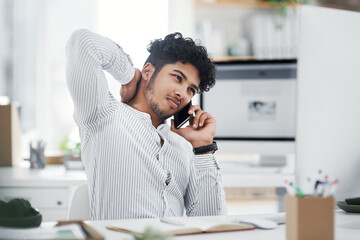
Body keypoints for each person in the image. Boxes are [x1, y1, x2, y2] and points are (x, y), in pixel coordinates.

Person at [66, 29, 227, 220]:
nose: (183, 93)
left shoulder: (184, 147)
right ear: (148, 72)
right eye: (177, 78)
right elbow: (83, 42)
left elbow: (212, 222)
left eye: (191, 89)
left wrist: (203, 148)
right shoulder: (104, 114)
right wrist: (128, 75)